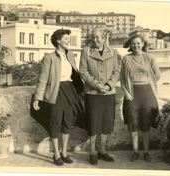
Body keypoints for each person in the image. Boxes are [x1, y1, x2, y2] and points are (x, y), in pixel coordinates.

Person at [33, 29, 84, 166]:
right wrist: (38, 98)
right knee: (55, 122)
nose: (68, 41)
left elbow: (76, 74)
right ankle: (56, 154)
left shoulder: (70, 55)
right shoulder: (49, 57)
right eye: (66, 39)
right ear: (58, 41)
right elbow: (42, 79)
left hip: (70, 90)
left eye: (69, 39)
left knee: (67, 122)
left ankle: (64, 152)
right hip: (55, 92)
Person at [79, 28, 120, 165]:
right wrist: (97, 85)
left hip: (108, 93)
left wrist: (109, 85)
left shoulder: (112, 52)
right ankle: (92, 152)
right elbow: (83, 72)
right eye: (93, 37)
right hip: (93, 93)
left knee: (106, 122)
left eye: (98, 37)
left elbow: (116, 71)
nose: (95, 40)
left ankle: (102, 151)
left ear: (104, 38)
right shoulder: (86, 51)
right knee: (93, 122)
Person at [120, 34, 160, 162]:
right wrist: (126, 92)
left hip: (147, 94)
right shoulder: (126, 58)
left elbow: (157, 75)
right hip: (132, 95)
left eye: (138, 43)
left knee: (146, 124)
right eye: (133, 43)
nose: (136, 45)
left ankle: (146, 152)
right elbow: (121, 78)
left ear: (143, 44)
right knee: (134, 124)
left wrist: (148, 82)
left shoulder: (149, 58)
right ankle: (136, 152)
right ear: (130, 45)